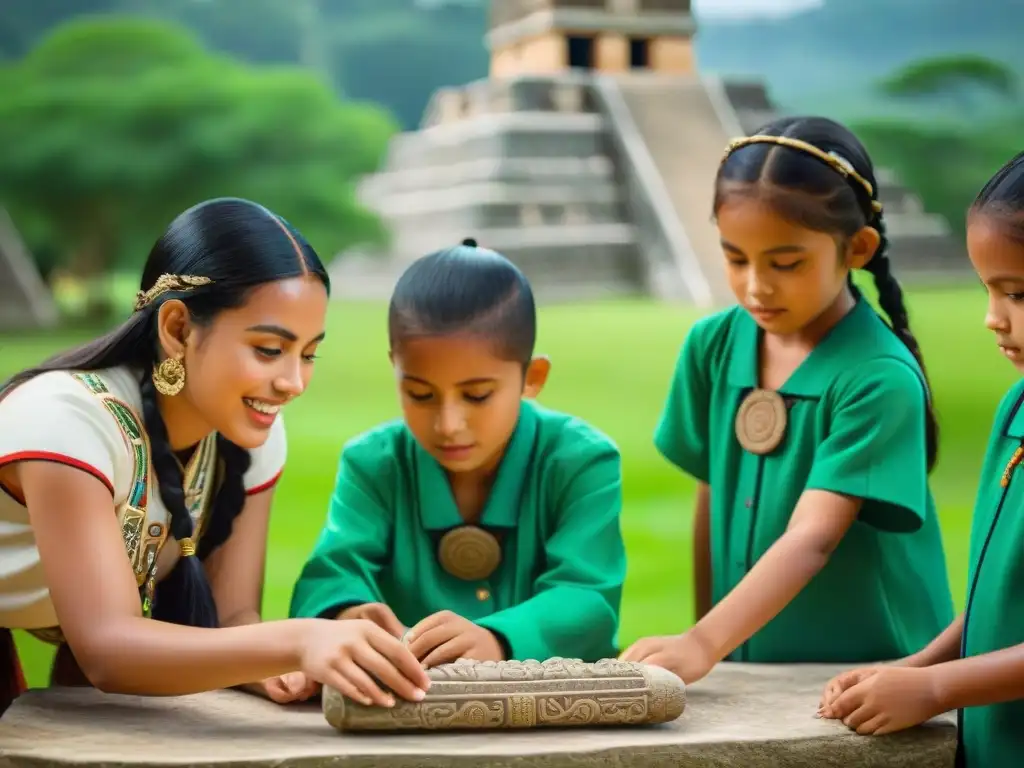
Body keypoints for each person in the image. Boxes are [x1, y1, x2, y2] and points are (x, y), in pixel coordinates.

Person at [0, 197, 429, 715]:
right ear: (178, 328)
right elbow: (108, 650)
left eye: (309, 353)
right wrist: (296, 641)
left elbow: (231, 620)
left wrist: (294, 664)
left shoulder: (249, 432)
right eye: (270, 349)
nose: (293, 382)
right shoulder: (67, 422)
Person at [619, 117, 954, 683]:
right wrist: (712, 645)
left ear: (858, 249)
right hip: (749, 660)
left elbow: (813, 537)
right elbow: (712, 496)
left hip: (875, 669)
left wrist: (705, 640)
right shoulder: (714, 344)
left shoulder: (877, 376)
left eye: (786, 262)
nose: (756, 286)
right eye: (735, 258)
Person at [289, 238, 626, 666]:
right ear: (395, 367)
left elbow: (588, 597)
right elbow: (330, 575)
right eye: (419, 393)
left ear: (532, 377)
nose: (448, 424)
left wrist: (499, 639)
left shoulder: (582, 460)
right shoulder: (373, 463)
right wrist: (345, 613)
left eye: (478, 395)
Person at [819, 150, 1024, 767]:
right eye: (987, 289)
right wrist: (916, 667)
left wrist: (938, 689)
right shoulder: (1016, 407)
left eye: (1018, 293)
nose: (992, 319)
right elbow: (1000, 595)